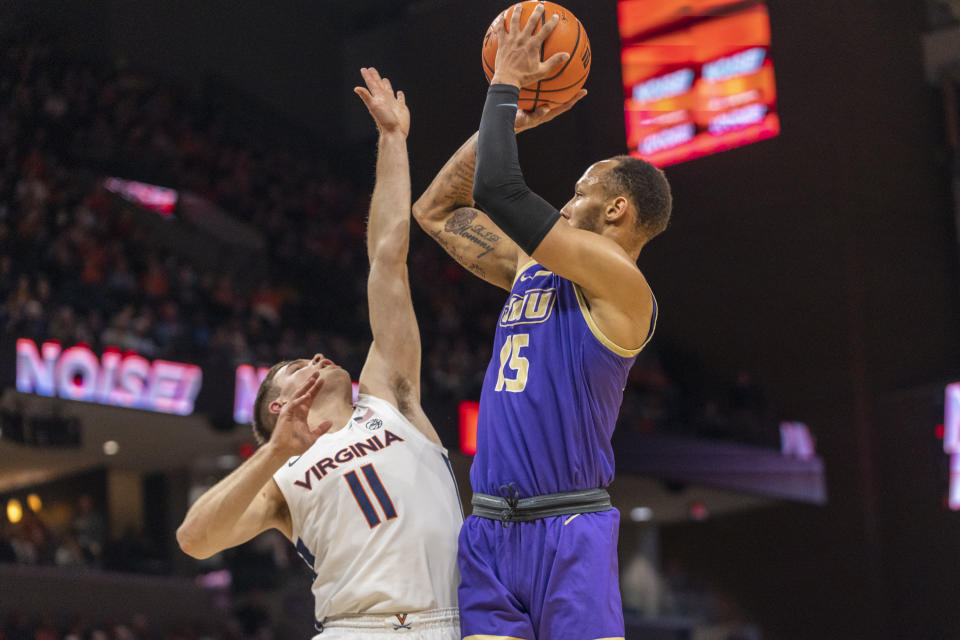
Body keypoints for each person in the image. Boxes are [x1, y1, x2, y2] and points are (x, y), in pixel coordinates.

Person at [412, 6, 672, 639]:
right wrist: (510, 125)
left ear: (616, 209)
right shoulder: (535, 268)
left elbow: (500, 192)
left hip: (568, 532)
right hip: (490, 530)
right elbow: (437, 210)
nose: (566, 199)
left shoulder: (623, 286)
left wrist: (505, 86)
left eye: (581, 192)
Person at [177, 68, 462, 639]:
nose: (314, 357)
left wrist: (393, 141)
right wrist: (273, 452)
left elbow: (387, 258)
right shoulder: (283, 477)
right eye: (292, 370)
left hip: (450, 623)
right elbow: (194, 539)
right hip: (354, 628)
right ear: (278, 410)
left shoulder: (391, 400)